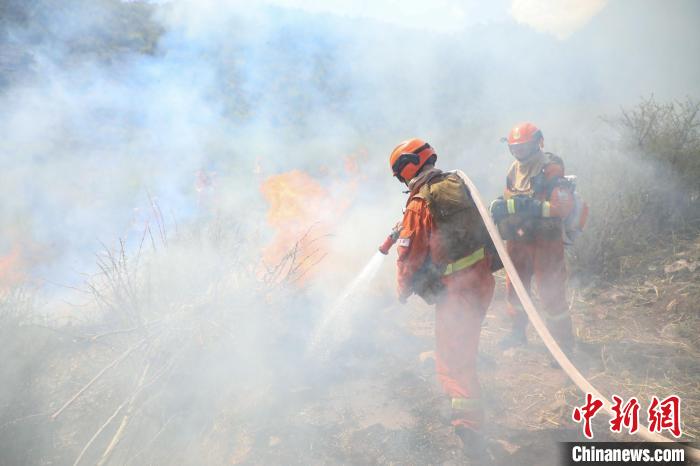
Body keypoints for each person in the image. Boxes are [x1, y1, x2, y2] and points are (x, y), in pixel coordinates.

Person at [389, 138, 496, 458]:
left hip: (456, 292)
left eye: (400, 175)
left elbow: (409, 255)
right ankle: (472, 417)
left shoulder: (420, 202)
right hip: (480, 280)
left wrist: (402, 289)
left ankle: (470, 434)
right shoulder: (457, 184)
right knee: (464, 351)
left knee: (452, 362)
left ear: (407, 168)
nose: (402, 181)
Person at [489, 122, 575, 354]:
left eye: (523, 147)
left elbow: (561, 208)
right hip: (518, 239)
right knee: (515, 289)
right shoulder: (513, 170)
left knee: (551, 293)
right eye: (514, 148)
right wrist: (501, 205)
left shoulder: (551, 168)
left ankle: (562, 345)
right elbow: (510, 196)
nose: (519, 152)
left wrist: (528, 206)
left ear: (537, 143)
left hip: (545, 241)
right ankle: (517, 333)